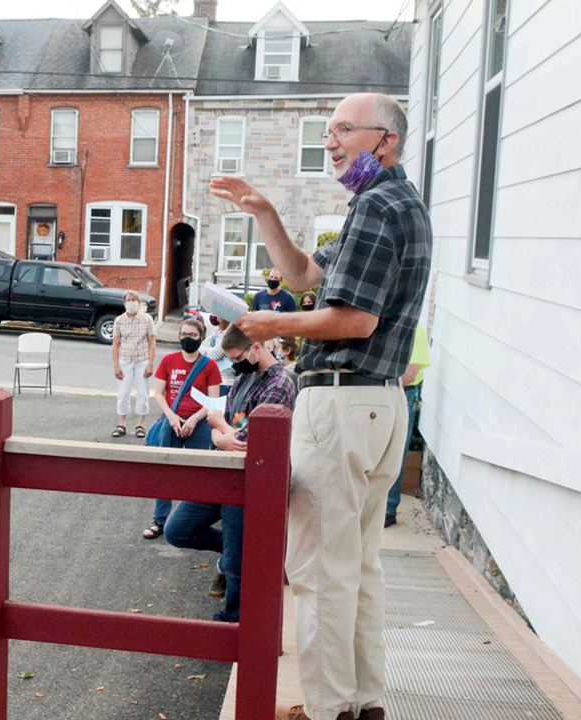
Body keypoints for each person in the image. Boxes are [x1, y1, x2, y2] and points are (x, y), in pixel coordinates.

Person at [211, 92, 429, 720]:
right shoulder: (394, 203)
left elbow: (354, 320)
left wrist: (268, 325)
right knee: (357, 569)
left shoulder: (375, 208)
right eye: (327, 130)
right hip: (380, 409)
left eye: (341, 131)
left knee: (314, 571)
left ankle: (329, 707)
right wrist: (264, 213)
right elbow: (306, 275)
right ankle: (361, 703)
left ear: (382, 141)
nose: (329, 142)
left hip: (341, 406)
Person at [166, 323, 297, 624]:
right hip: (224, 471)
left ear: (257, 347)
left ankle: (234, 620)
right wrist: (224, 433)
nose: (234, 364)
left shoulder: (280, 384)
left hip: (250, 479)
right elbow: (227, 427)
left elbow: (248, 440)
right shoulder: (243, 377)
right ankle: (232, 548)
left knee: (238, 565)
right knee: (178, 530)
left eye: (237, 357)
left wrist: (223, 432)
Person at [141, 318, 222, 540]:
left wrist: (195, 418)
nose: (187, 338)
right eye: (184, 334)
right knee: (165, 472)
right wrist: (171, 416)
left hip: (199, 424)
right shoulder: (168, 360)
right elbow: (159, 393)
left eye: (193, 335)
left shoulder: (209, 365)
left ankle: (190, 520)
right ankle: (160, 520)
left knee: (198, 473)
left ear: (201, 338)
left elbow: (213, 401)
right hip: (172, 423)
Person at [385, 322, 429, 528]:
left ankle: (388, 510)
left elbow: (410, 373)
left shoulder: (415, 330)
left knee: (396, 451)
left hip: (403, 393)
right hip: (383, 392)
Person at [111, 290, 156, 439]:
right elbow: (116, 344)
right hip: (125, 360)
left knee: (142, 393)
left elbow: (152, 343)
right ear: (124, 303)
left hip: (141, 359)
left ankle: (140, 424)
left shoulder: (147, 319)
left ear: (138, 302)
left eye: (133, 300)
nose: (130, 303)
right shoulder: (119, 320)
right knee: (123, 392)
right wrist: (116, 365)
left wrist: (150, 363)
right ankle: (121, 424)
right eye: (128, 300)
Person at [200, 314, 237, 397]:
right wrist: (207, 349)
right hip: (210, 379)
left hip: (224, 381)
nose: (214, 315)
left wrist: (206, 349)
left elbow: (214, 354)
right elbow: (199, 350)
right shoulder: (215, 331)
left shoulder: (228, 333)